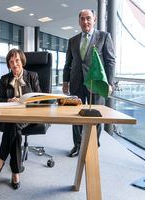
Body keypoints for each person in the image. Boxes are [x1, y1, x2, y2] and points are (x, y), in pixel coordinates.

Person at [62, 9, 115, 157]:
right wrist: (65, 81)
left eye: (88, 18)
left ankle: (93, 145)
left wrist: (109, 83)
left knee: (97, 116)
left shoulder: (104, 37)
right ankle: (77, 145)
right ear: (79, 21)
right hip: (76, 82)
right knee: (76, 115)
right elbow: (68, 63)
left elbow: (110, 61)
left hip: (96, 83)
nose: (86, 22)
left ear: (94, 19)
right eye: (82, 19)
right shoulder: (72, 40)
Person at [0, 49, 41, 190]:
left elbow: (40, 99)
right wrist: (8, 99)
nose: (14, 64)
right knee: (15, 130)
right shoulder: (5, 79)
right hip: (11, 116)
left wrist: (25, 101)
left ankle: (1, 159)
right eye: (11, 62)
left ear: (22, 61)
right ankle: (16, 172)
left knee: (13, 125)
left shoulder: (32, 76)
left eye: (17, 60)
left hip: (29, 115)